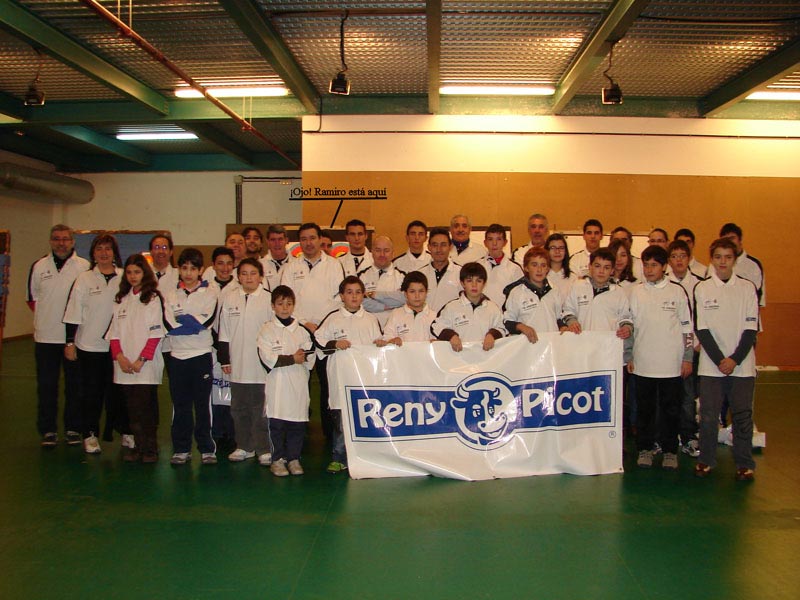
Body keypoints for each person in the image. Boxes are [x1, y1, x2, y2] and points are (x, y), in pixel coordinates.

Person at [693, 238, 759, 481]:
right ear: (711, 259)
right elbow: (702, 329)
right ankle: (705, 460)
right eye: (718, 257)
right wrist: (721, 360)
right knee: (709, 415)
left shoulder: (747, 288)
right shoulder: (702, 289)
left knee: (742, 414)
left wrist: (734, 360)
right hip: (712, 366)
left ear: (734, 260)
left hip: (742, 366)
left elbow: (751, 329)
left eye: (728, 257)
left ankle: (744, 463)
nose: (723, 262)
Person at [628, 245, 694, 470]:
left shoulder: (677, 292)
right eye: (646, 265)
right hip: (643, 363)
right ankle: (645, 449)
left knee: (671, 411)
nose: (649, 269)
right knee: (645, 411)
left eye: (654, 265)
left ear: (665, 267)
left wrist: (687, 358)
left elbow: (687, 328)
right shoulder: (636, 292)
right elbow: (630, 326)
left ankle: (670, 451)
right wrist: (629, 355)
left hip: (671, 365)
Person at [63, 233, 129, 454]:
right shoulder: (84, 279)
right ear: (93, 253)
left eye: (108, 249)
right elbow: (73, 311)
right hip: (90, 347)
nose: (103, 253)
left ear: (114, 253)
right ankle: (90, 434)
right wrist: (70, 342)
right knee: (92, 393)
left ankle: (125, 431)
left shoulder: (124, 277)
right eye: (99, 249)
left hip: (119, 348)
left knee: (119, 393)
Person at [279, 222, 345, 442]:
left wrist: (322, 326)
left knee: (328, 384)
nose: (308, 243)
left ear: (320, 240)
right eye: (304, 239)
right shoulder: (291, 267)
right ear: (299, 242)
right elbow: (286, 299)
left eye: (312, 238)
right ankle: (299, 432)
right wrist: (305, 323)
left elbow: (338, 299)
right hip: (299, 331)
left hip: (326, 333)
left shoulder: (334, 265)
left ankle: (330, 434)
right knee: (299, 383)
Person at [27, 224, 90, 447]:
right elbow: (33, 299)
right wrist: (47, 319)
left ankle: (73, 428)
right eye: (56, 239)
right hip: (46, 338)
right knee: (46, 386)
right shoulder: (38, 266)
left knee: (75, 386)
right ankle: (48, 430)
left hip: (74, 338)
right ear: (50, 241)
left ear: (73, 241)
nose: (61, 243)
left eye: (65, 239)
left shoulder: (84, 266)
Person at [314, 276, 382, 474]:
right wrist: (335, 343)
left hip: (364, 379)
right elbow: (318, 340)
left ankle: (367, 457)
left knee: (366, 416)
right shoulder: (333, 318)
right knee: (341, 419)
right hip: (341, 378)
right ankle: (339, 457)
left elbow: (379, 344)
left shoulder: (371, 319)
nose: (354, 296)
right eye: (349, 292)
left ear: (363, 295)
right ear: (342, 296)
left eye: (358, 292)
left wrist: (380, 344)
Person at [163, 248, 219, 466]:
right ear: (179, 269)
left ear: (201, 270)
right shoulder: (170, 295)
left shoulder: (210, 294)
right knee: (181, 405)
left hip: (201, 355)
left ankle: (207, 448)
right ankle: (181, 448)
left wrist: (185, 322)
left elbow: (205, 322)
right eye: (184, 268)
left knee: (202, 404)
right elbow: (169, 325)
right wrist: (190, 323)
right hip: (177, 357)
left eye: (193, 269)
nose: (188, 273)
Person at [107, 253, 165, 463]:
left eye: (137, 272)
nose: (133, 276)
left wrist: (141, 360)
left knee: (145, 409)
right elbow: (114, 333)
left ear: (145, 273)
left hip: (145, 365)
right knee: (131, 409)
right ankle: (138, 446)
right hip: (124, 364)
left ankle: (150, 448)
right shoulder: (121, 299)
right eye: (129, 272)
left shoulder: (153, 298)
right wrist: (120, 357)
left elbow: (156, 333)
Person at [217, 259, 273, 466]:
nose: (248, 278)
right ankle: (244, 446)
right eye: (244, 273)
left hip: (261, 365)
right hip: (237, 363)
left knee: (261, 409)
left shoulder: (269, 299)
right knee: (239, 408)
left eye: (253, 273)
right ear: (238, 277)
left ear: (261, 276)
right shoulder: (230, 298)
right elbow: (224, 331)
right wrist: (224, 358)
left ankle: (264, 448)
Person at [257, 285, 316, 477]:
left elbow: (310, 354)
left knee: (297, 424)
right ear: (273, 306)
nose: (285, 308)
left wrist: (301, 356)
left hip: (298, 385)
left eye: (289, 304)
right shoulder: (267, 330)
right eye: (280, 304)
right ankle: (277, 460)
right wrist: (292, 358)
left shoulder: (302, 331)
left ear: (294, 305)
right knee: (277, 425)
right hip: (278, 386)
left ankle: (293, 458)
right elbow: (267, 358)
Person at [668, 239, 703, 457]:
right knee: (667, 397)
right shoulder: (663, 283)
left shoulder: (700, 284)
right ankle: (666, 438)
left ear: (689, 258)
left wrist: (696, 345)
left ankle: (689, 436)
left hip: (692, 348)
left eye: (682, 256)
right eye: (674, 256)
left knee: (688, 396)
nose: (679, 260)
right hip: (668, 350)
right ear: (668, 261)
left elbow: (702, 318)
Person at [562, 248, 633, 350]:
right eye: (597, 266)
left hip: (608, 348)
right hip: (581, 345)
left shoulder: (619, 292)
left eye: (606, 267)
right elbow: (567, 310)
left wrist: (626, 328)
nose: (601, 271)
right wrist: (572, 322)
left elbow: (625, 317)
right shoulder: (577, 286)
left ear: (612, 270)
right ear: (590, 266)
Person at [431, 262, 505, 352]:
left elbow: (502, 328)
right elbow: (436, 326)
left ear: (484, 284)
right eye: (469, 281)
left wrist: (492, 335)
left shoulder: (492, 308)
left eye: (479, 281)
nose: (474, 285)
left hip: (487, 357)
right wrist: (451, 336)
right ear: (462, 283)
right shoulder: (451, 307)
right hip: (458, 357)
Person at [207, 246, 238, 449]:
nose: (225, 268)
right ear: (213, 265)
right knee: (215, 389)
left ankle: (233, 432)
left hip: (233, 346)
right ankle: (216, 432)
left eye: (228, 263)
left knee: (233, 390)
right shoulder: (205, 288)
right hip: (209, 346)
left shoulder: (239, 288)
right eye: (220, 263)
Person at [503, 247, 563, 343]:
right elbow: (507, 322)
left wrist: (564, 327)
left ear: (548, 269)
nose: (539, 269)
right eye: (534, 265)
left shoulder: (554, 290)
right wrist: (522, 327)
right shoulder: (516, 292)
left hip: (551, 345)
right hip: (527, 346)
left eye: (543, 265)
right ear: (526, 267)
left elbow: (559, 318)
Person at [358, 235, 406, 328]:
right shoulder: (362, 276)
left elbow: (403, 299)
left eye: (386, 250)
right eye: (378, 250)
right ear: (372, 252)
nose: (382, 254)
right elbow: (359, 301)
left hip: (395, 328)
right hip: (367, 327)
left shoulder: (402, 277)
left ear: (393, 253)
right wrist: (385, 306)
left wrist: (374, 295)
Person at [377, 271, 436, 345]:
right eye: (412, 291)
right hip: (401, 353)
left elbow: (439, 341)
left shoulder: (434, 316)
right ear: (405, 294)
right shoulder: (396, 314)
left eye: (421, 291)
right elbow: (387, 337)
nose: (417, 296)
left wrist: (437, 342)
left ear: (426, 292)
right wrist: (392, 340)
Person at [718, 223, 765, 307]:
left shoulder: (753, 265)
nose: (729, 242)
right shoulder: (714, 265)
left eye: (732, 238)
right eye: (725, 239)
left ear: (740, 240)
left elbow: (754, 296)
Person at [418, 228, 463, 313]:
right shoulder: (420, 274)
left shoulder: (461, 273)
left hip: (452, 321)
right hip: (424, 320)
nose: (439, 249)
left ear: (450, 247)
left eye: (443, 245)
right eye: (435, 245)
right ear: (429, 247)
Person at [479, 224, 523, 307]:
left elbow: (520, 295)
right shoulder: (477, 266)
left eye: (498, 239)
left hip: (506, 313)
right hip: (482, 312)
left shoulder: (515, 268)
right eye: (490, 239)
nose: (494, 243)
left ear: (505, 242)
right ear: (485, 243)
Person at [260, 224, 291, 290]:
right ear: (267, 242)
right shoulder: (259, 265)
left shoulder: (296, 264)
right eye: (273, 240)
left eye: (280, 239)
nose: (277, 243)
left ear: (286, 240)